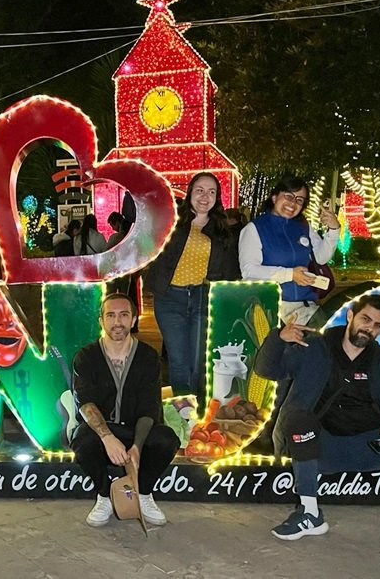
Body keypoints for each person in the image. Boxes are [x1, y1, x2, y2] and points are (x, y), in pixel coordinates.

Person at [256, 294, 380, 540]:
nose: (369, 328)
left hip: (373, 445)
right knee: (298, 418)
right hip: (321, 448)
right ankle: (309, 514)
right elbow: (266, 369)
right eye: (365, 319)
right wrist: (278, 338)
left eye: (377, 325)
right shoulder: (314, 348)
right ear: (350, 316)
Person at [70, 293, 180, 527]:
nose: (117, 322)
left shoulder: (148, 356)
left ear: (133, 319)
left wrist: (137, 447)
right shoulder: (86, 357)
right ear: (101, 320)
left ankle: (144, 493)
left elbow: (150, 407)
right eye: (110, 315)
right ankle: (104, 496)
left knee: (166, 439)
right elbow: (86, 403)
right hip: (104, 432)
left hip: (135, 428)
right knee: (82, 439)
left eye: (123, 315)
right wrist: (107, 438)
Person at [143, 171, 240, 399]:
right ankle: (184, 410)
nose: (205, 196)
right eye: (200, 190)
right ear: (189, 193)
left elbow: (230, 271)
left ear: (217, 197)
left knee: (199, 361)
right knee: (178, 361)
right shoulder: (171, 221)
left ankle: (199, 405)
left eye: (211, 192)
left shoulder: (222, 231)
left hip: (202, 298)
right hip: (169, 299)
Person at [239, 176, 339, 325]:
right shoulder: (255, 228)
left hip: (305, 308)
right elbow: (249, 270)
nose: (293, 203)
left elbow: (320, 258)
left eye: (299, 200)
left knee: (329, 336)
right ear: (274, 197)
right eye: (288, 196)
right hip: (271, 309)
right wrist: (290, 274)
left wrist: (334, 229)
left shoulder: (303, 227)